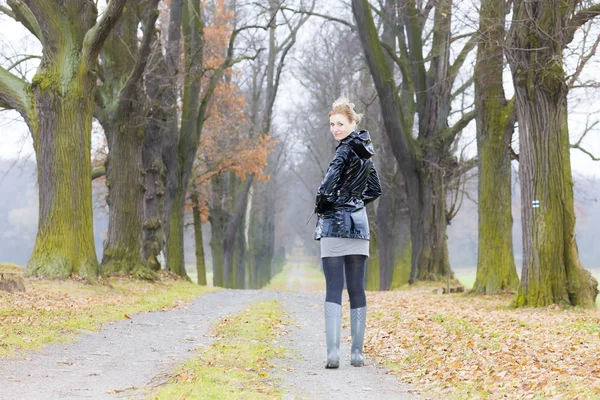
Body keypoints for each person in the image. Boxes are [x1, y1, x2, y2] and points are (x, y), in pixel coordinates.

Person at [314, 96, 382, 369]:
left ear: (353, 123)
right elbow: (375, 189)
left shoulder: (342, 151)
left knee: (333, 287)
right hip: (359, 226)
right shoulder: (366, 152)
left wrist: (322, 204)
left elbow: (326, 186)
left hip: (333, 226)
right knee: (356, 289)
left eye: (340, 123)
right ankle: (357, 353)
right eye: (332, 124)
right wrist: (354, 201)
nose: (335, 129)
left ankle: (333, 354)